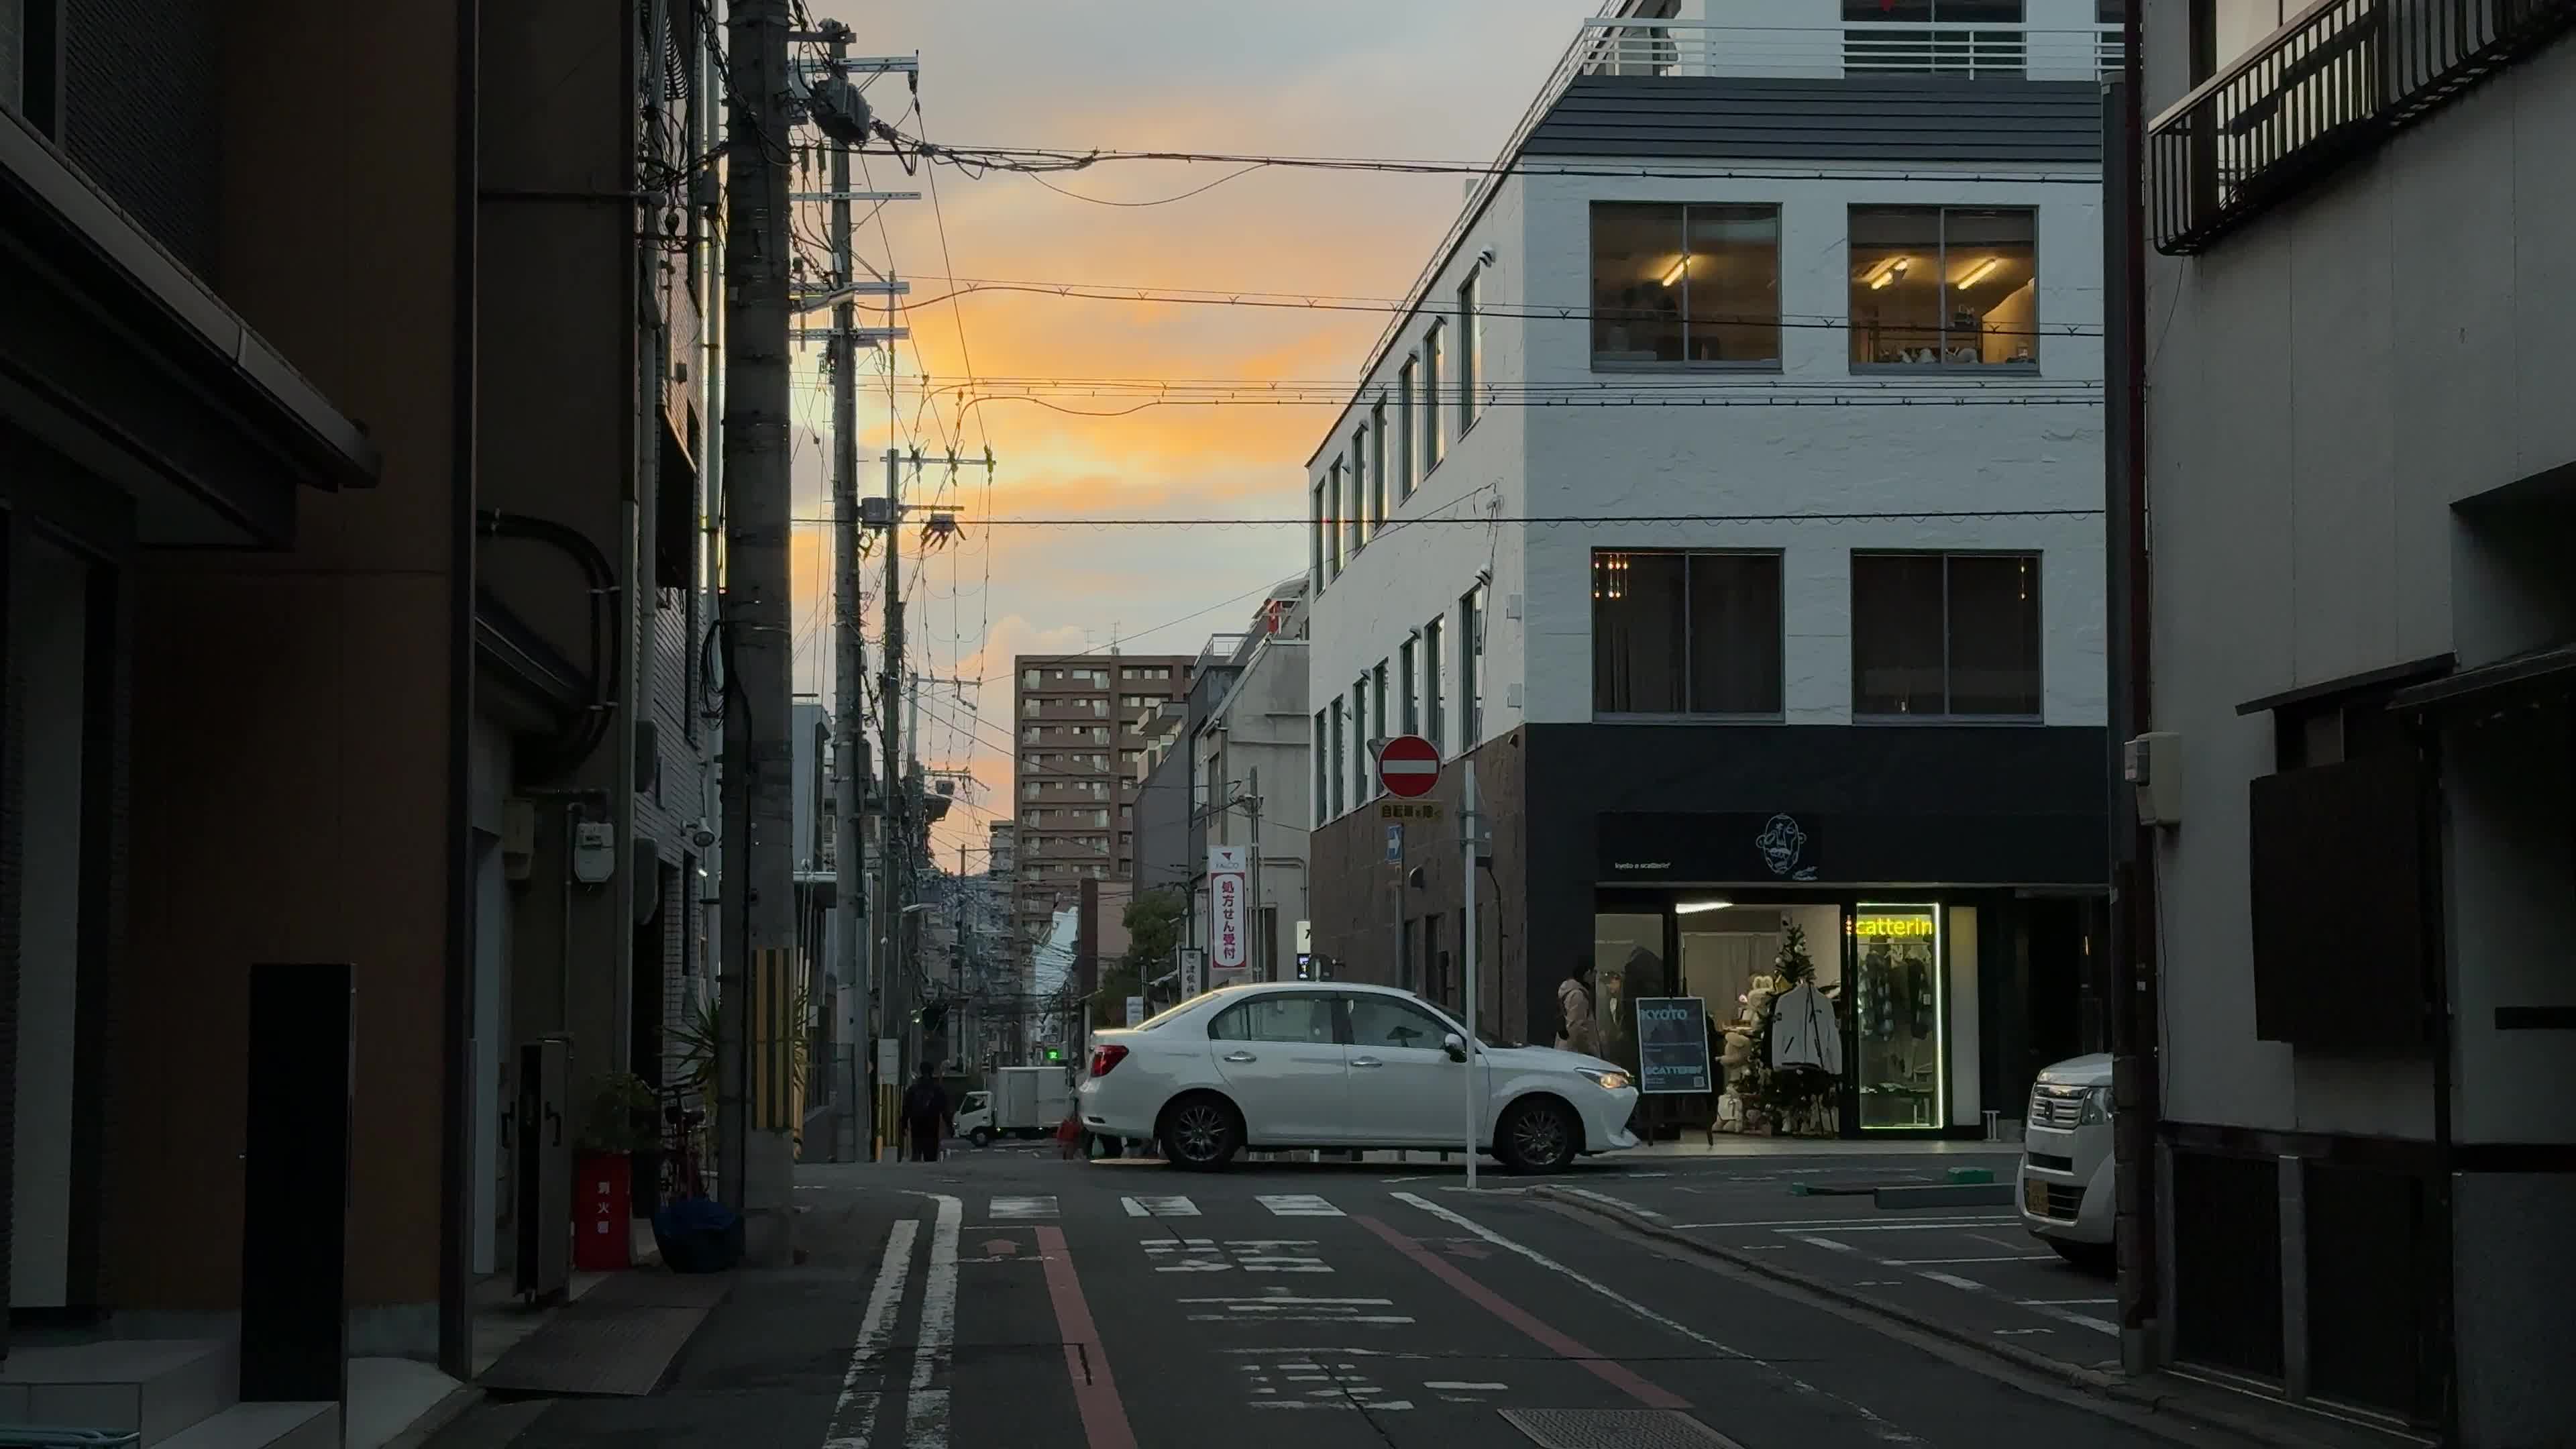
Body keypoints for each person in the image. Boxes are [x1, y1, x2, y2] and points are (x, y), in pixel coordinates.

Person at [900, 1061, 949, 1163]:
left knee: (917, 1149)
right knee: (930, 1154)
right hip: (932, 1125)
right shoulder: (937, 1089)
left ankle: (917, 1165)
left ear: (921, 1071)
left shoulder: (913, 1089)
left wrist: (904, 1124)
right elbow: (944, 1109)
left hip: (917, 1124)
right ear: (932, 1072)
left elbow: (906, 1108)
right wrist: (950, 1126)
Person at [1555, 956, 1599, 1057]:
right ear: (1588, 973)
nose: (1596, 976)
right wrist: (1592, 1052)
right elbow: (1576, 1029)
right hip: (1576, 1055)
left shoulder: (1571, 992)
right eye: (1595, 972)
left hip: (1569, 1051)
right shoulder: (1578, 995)